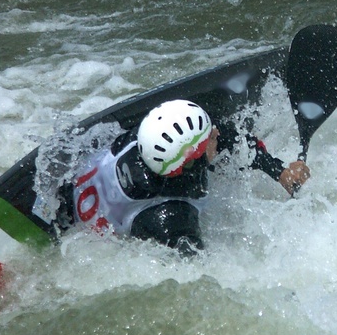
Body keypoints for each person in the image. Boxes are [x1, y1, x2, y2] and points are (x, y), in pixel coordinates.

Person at [57, 99, 309, 255]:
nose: (217, 133)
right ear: (191, 163)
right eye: (209, 137)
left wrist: (280, 171)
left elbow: (231, 140)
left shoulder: (146, 138)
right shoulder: (171, 220)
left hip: (66, 196)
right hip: (83, 239)